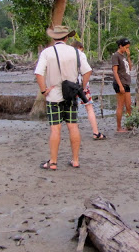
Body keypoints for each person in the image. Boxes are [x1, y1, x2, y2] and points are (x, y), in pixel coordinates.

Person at [34, 25, 92, 170]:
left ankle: (53, 162)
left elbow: (38, 73)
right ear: (67, 38)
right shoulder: (76, 52)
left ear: (54, 38)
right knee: (73, 126)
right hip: (71, 96)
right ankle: (76, 160)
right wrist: (82, 88)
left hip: (53, 96)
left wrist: (43, 91)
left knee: (55, 129)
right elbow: (88, 71)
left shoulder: (47, 52)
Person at [72, 41, 106, 140]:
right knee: (89, 107)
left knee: (71, 109)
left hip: (70, 84)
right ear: (80, 47)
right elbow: (87, 71)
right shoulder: (81, 55)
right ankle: (95, 132)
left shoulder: (67, 55)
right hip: (82, 84)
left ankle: (73, 132)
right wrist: (83, 86)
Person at [111, 38, 132, 133]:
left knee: (128, 106)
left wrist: (128, 57)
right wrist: (120, 85)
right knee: (120, 105)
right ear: (120, 46)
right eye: (126, 47)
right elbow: (115, 71)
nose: (127, 49)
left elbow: (130, 68)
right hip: (120, 83)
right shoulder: (116, 56)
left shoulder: (123, 56)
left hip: (126, 82)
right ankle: (118, 127)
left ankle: (128, 125)